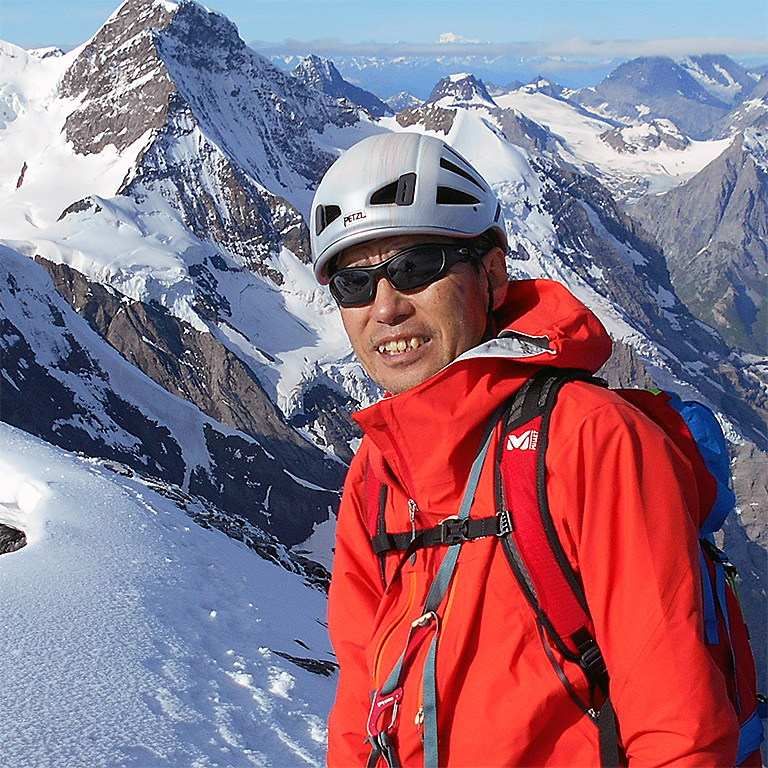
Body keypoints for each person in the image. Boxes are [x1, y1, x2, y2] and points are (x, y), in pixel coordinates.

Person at [310, 132, 739, 767]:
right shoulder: (376, 475)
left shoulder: (590, 440)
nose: (386, 307)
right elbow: (360, 703)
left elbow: (678, 730)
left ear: (491, 272)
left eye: (417, 267)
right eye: (353, 284)